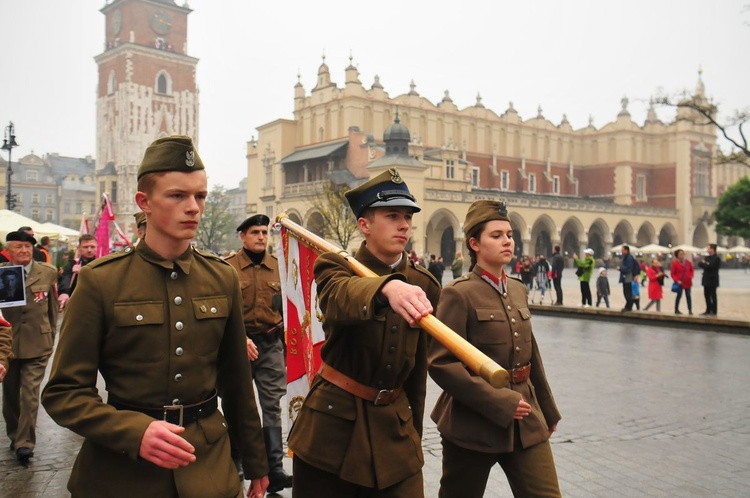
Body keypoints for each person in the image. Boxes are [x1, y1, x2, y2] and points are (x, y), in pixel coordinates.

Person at [42, 135, 269, 497]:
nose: (193, 207)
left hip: (208, 466)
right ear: (144, 203)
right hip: (122, 472)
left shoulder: (221, 276)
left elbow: (238, 383)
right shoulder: (102, 281)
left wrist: (257, 462)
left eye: (200, 196)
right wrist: (133, 431)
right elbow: (64, 393)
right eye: (178, 195)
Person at [288, 168, 441, 497]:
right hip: (332, 429)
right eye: (392, 215)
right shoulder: (334, 266)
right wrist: (387, 288)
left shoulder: (424, 283)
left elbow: (417, 371)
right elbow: (338, 299)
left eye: (408, 217)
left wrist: (413, 433)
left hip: (394, 429)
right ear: (364, 225)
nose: (404, 224)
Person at [428, 200, 561, 498]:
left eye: (509, 235)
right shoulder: (457, 293)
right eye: (496, 235)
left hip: (526, 417)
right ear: (474, 243)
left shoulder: (517, 288)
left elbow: (531, 355)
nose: (507, 242)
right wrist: (499, 402)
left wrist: (547, 410)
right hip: (471, 423)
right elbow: (441, 362)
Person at [225, 214, 292, 494]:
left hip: (270, 345)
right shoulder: (227, 268)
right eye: (255, 232)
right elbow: (222, 312)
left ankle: (274, 468)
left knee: (272, 406)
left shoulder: (279, 268)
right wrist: (239, 340)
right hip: (239, 346)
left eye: (264, 232)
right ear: (243, 236)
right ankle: (238, 459)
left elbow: (288, 310)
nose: (261, 237)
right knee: (238, 404)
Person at [1, 230, 60, 463]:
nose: (24, 251)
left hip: (38, 342)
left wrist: (52, 337)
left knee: (30, 394)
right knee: (10, 395)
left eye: (28, 247)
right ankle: (15, 435)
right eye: (19, 247)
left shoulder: (48, 272)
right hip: (8, 344)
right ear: (9, 251)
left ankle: (25, 443)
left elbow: (52, 309)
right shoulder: (2, 274)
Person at [57, 234, 98, 311]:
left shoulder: (101, 264)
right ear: (79, 248)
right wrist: (64, 292)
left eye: (92, 247)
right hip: (75, 305)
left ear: (97, 247)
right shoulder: (72, 264)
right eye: (85, 247)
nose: (89, 250)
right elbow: (66, 278)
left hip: (95, 304)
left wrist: (83, 272)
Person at [698, 243, 721, 316]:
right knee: (706, 295)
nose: (707, 250)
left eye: (708, 248)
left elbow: (711, 267)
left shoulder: (717, 258)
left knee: (713, 295)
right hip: (706, 279)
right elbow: (700, 264)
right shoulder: (707, 258)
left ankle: (714, 311)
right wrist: (706, 264)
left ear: (712, 249)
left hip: (713, 279)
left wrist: (706, 264)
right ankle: (708, 309)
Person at [670, 249, 694, 315]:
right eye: (680, 254)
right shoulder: (675, 263)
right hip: (680, 282)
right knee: (679, 295)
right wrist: (677, 280)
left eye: (682, 254)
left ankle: (690, 310)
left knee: (688, 296)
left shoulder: (688, 262)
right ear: (677, 255)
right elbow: (672, 273)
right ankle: (676, 309)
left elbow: (692, 270)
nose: (682, 255)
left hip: (688, 282)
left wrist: (690, 276)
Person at [617, 245, 639, 312]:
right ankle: (628, 306)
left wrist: (620, 268)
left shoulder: (628, 258)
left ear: (626, 250)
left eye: (622, 250)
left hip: (627, 277)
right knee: (626, 291)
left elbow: (629, 268)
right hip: (626, 276)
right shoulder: (627, 257)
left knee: (627, 292)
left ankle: (629, 306)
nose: (621, 251)